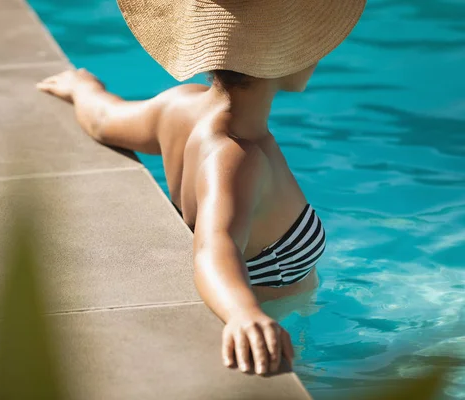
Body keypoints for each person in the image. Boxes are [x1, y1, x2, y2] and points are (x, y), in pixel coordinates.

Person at [37, 0, 366, 377]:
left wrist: (83, 88)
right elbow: (215, 248)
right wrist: (244, 315)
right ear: (281, 57)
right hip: (283, 331)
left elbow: (103, 119)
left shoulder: (180, 106)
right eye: (310, 41)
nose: (321, 51)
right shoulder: (238, 156)